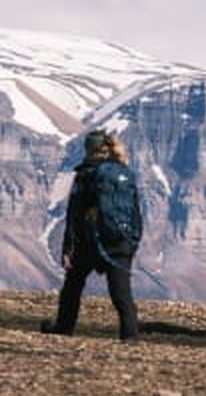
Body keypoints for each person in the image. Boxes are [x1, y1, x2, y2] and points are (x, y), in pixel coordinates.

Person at [41, 130, 142, 341]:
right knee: (121, 293)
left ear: (89, 149)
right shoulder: (123, 172)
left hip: (92, 243)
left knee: (72, 286)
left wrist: (68, 250)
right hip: (121, 242)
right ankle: (130, 335)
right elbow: (135, 211)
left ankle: (64, 327)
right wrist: (132, 243)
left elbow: (74, 215)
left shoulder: (86, 174)